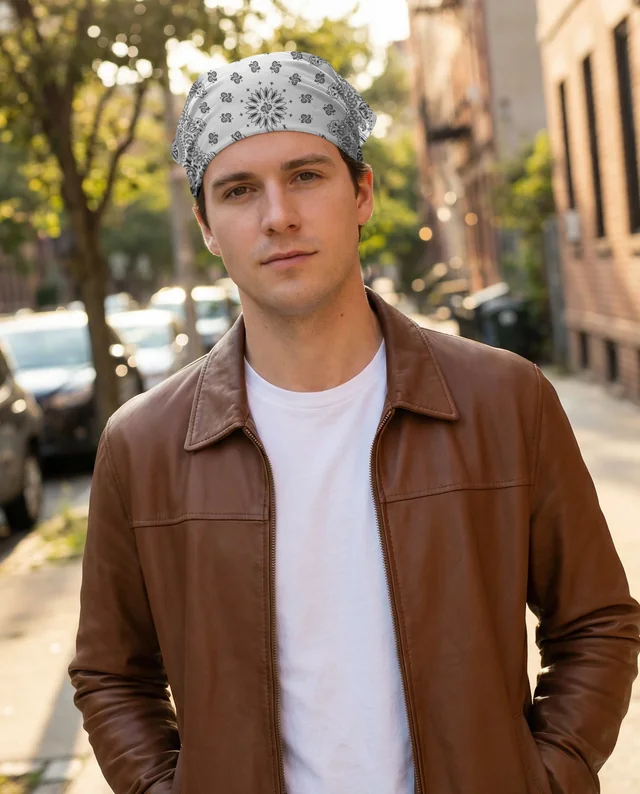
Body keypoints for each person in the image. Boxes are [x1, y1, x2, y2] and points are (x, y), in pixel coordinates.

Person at [69, 51, 640, 794]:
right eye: (240, 191)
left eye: (305, 175)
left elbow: (596, 622)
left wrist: (547, 777)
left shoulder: (504, 399)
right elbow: (112, 673)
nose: (279, 215)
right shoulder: (142, 445)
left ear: (363, 192)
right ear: (208, 226)